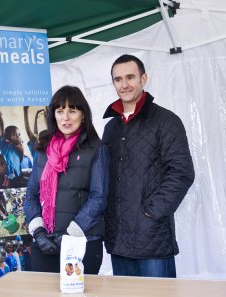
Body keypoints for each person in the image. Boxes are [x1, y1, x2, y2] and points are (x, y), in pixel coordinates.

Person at [102, 54, 195, 278]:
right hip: (118, 238)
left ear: (144, 79)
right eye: (118, 79)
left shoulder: (166, 121)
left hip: (152, 238)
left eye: (130, 77)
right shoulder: (111, 128)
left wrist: (150, 214)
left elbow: (182, 173)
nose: (124, 84)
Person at [24, 85, 109, 274]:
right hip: (44, 242)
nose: (65, 117)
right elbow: (31, 194)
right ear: (53, 115)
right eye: (60, 111)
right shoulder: (43, 148)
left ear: (83, 115)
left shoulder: (96, 148)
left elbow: (99, 196)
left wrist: (70, 234)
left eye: (72, 110)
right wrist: (38, 233)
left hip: (82, 242)